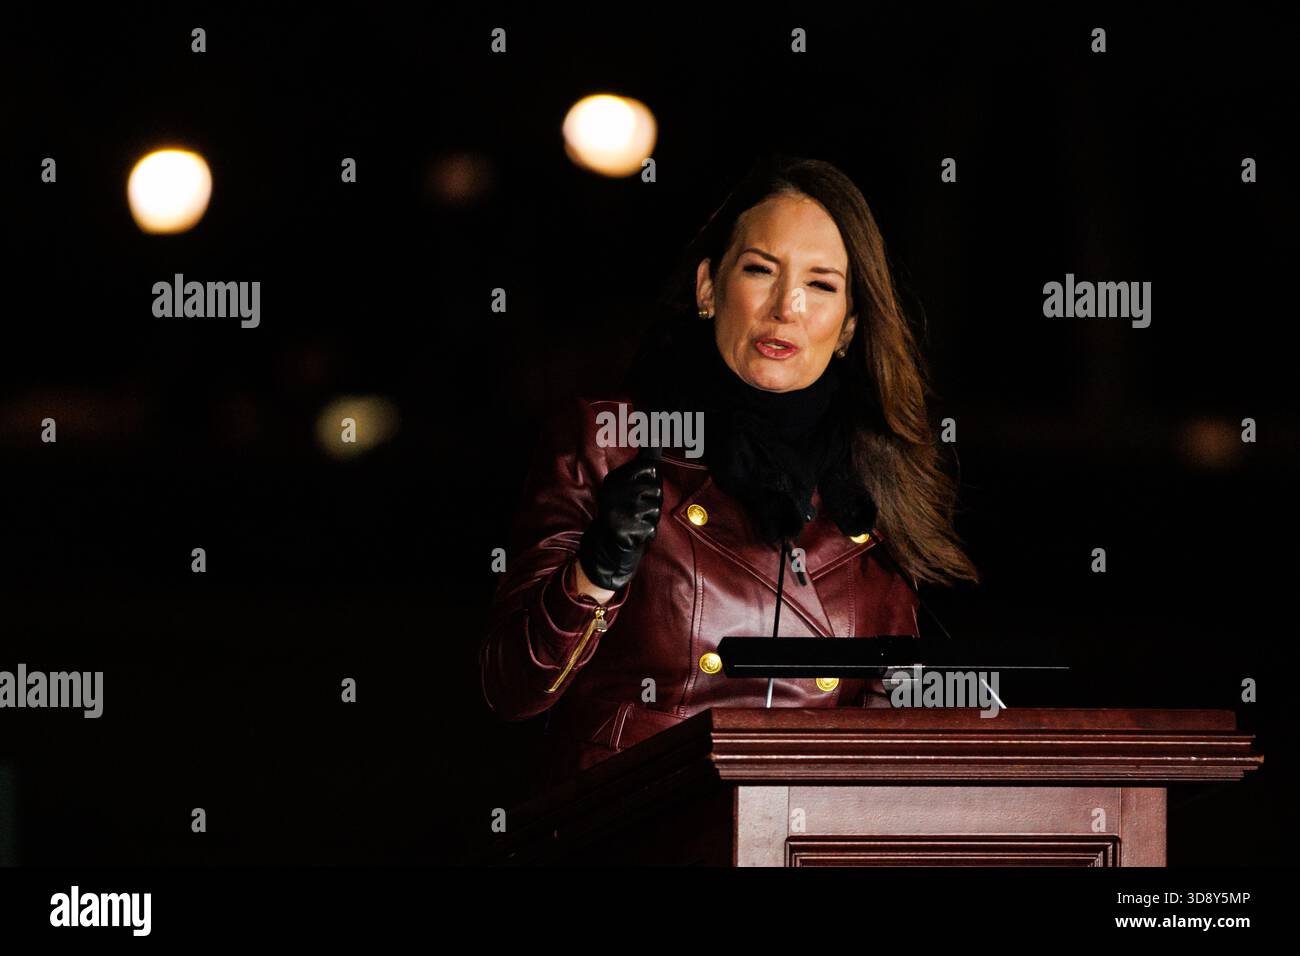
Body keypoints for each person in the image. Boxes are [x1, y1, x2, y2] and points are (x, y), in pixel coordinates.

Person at [480, 155, 979, 788]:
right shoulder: (615, 442)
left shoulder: (874, 492)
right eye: (759, 270)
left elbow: (886, 751)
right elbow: (510, 688)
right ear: (708, 289)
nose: (786, 306)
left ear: (850, 325)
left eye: (821, 285)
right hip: (635, 831)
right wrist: (594, 573)